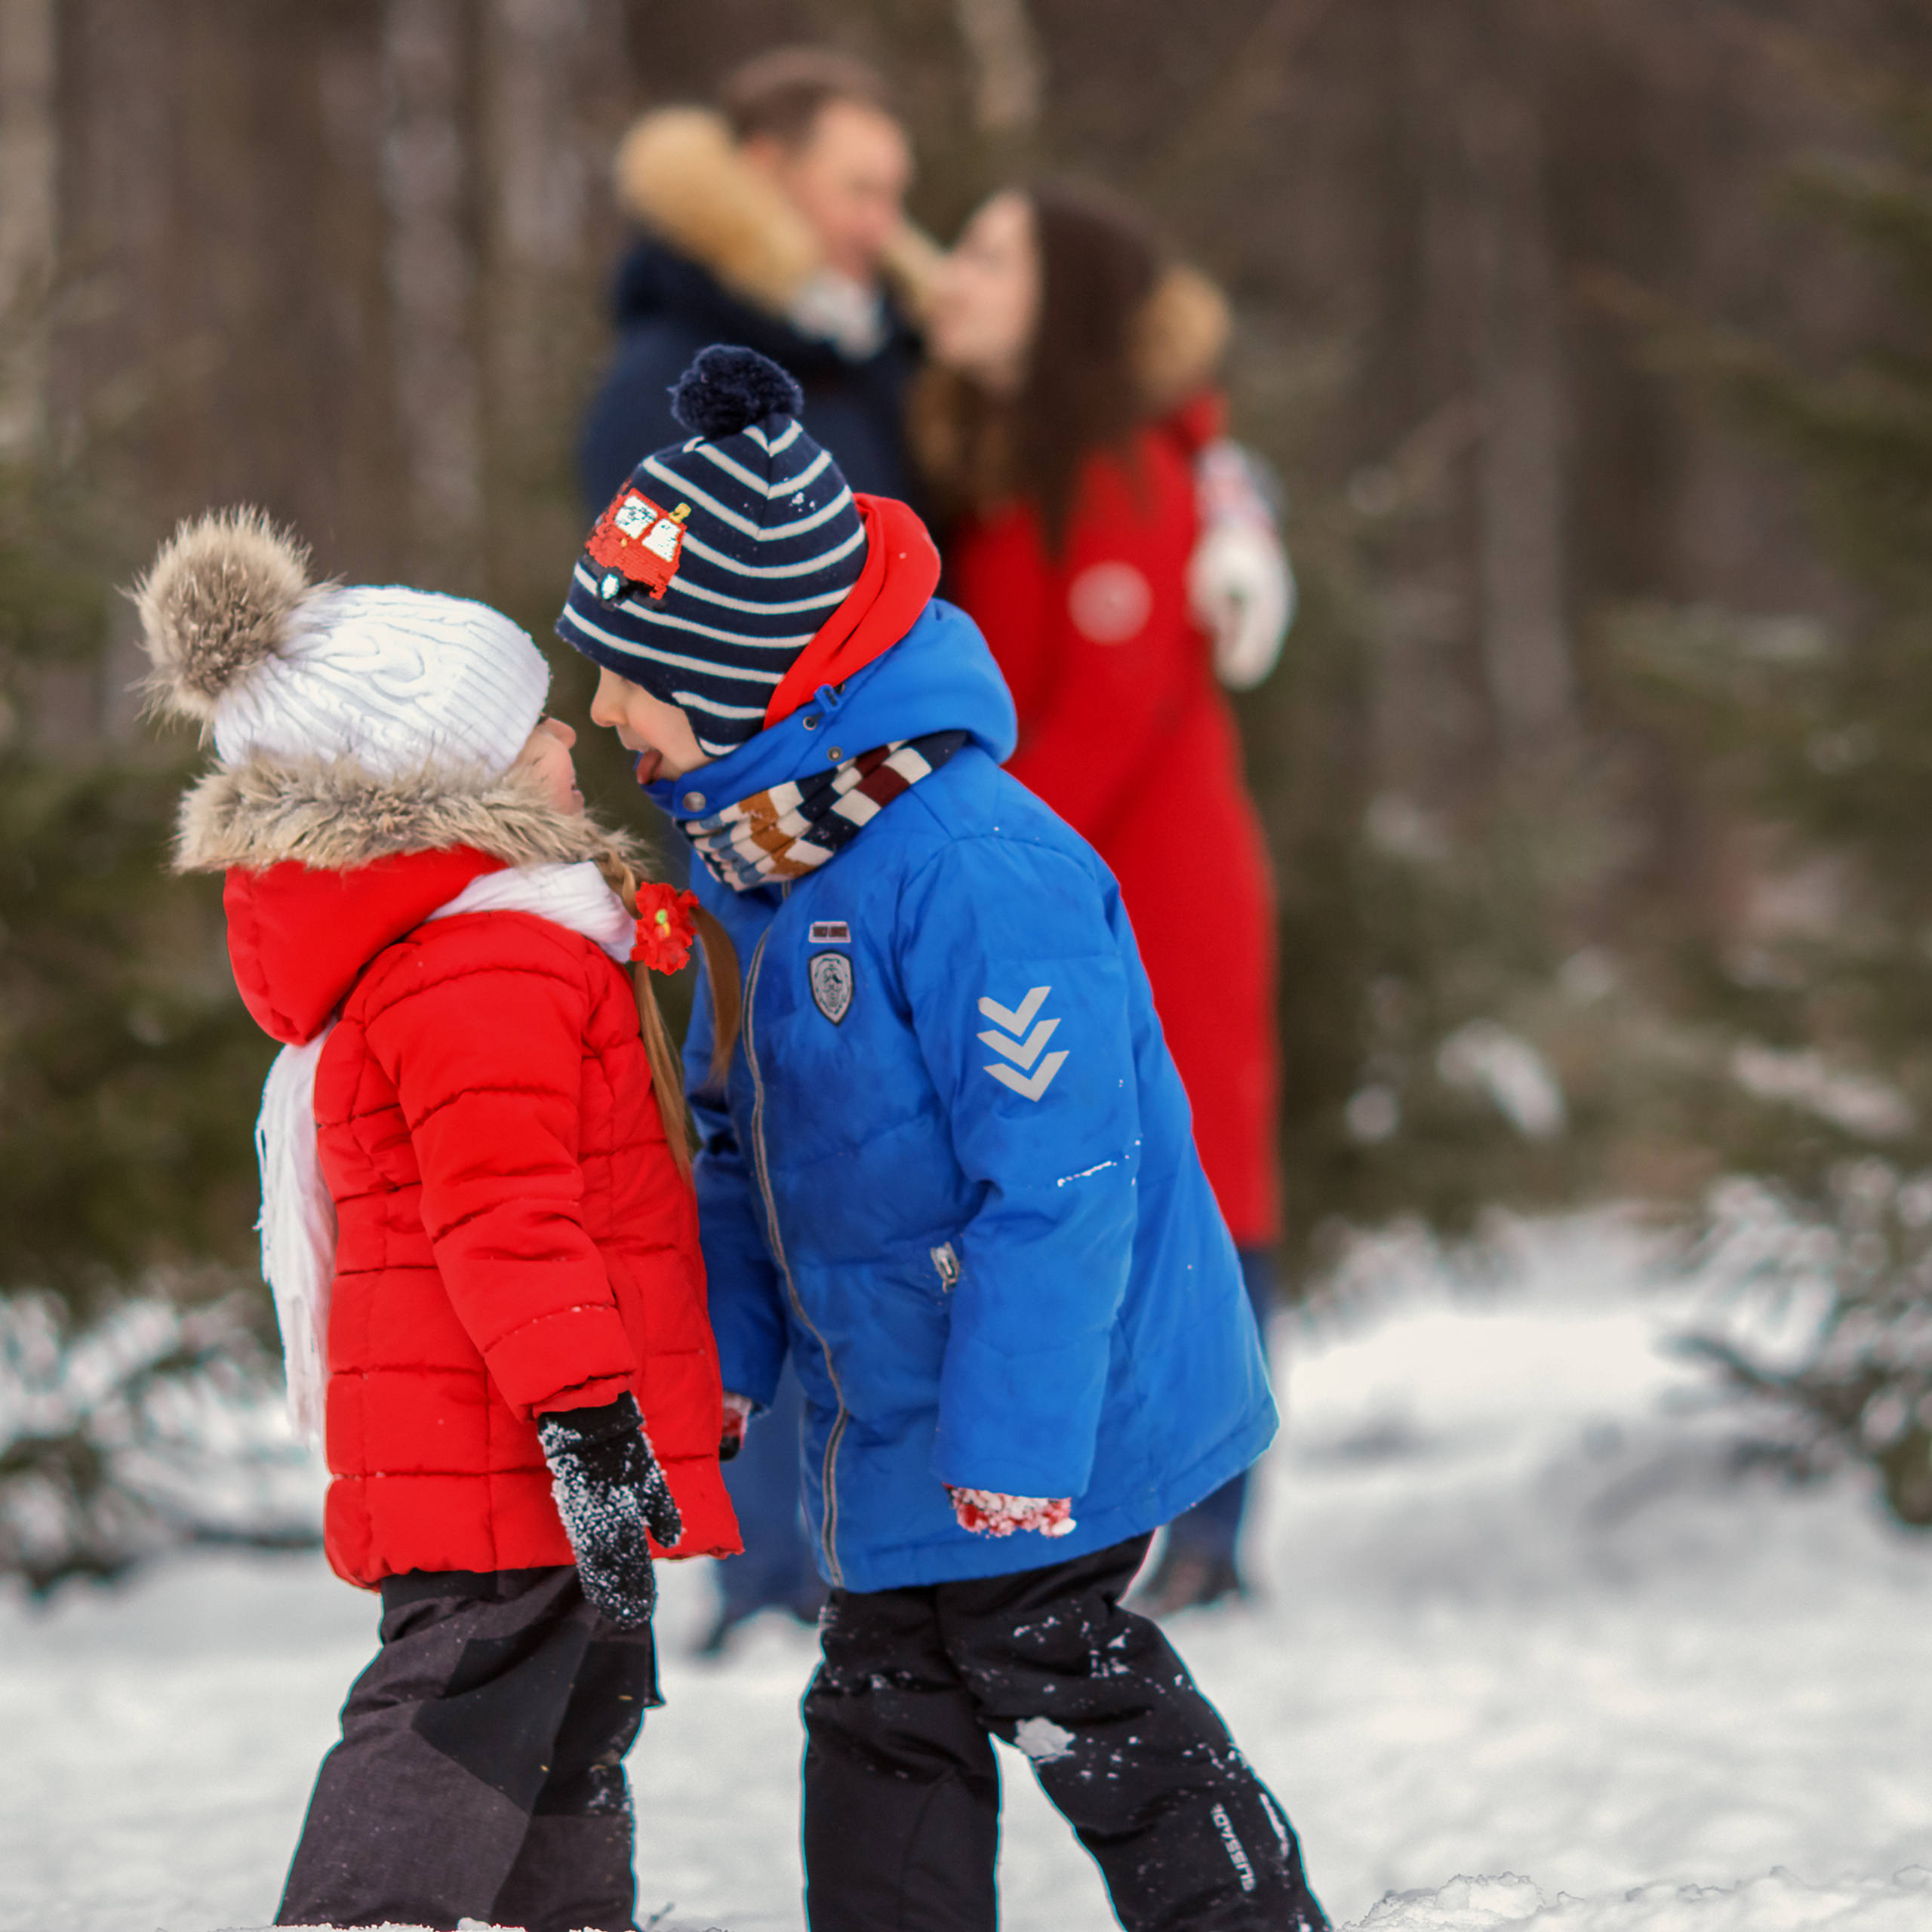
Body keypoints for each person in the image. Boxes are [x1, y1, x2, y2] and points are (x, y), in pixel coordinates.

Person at [558, 343, 1328, 1932]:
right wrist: (723, 1356)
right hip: (895, 1401)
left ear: (747, 669)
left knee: (1055, 1663)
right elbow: (736, 1144)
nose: (603, 708)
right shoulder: (752, 868)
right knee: (879, 1699)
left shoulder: (973, 870)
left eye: (635, 669)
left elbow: (1061, 1183)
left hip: (1060, 1392)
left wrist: (1016, 1445)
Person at [135, 509, 740, 1932]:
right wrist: (589, 1421)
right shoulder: (486, 967)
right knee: (459, 1714)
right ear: (446, 783)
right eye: (531, 732)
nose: (568, 739)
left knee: (565, 1730)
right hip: (513, 1450)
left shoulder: (505, 939)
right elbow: (506, 1220)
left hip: (514, 1445)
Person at [912, 181, 1297, 1612]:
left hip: (1151, 883)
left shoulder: (1117, 471)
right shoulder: (1013, 463)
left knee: (1189, 1169)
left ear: (1063, 298)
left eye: (990, 255)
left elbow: (1109, 712)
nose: (955, 275)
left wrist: (959, 863)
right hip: (1062, 877)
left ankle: (1209, 1524)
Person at [577, 45, 928, 512]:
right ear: (768, 169)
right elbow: (639, 555)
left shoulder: (889, 357)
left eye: (894, 196)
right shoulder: (671, 383)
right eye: (859, 191)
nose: (883, 228)